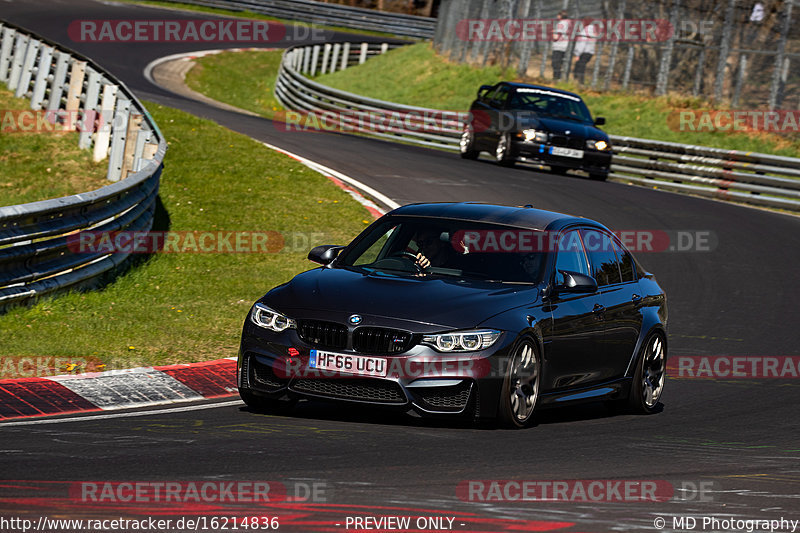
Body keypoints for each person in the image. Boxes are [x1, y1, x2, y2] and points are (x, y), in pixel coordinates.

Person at [572, 20, 598, 85]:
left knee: (579, 67)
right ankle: (580, 82)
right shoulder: (594, 32)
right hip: (590, 52)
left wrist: (577, 54)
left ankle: (579, 82)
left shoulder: (584, 32)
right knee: (581, 66)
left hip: (583, 52)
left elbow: (581, 44)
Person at [551, 10, 570, 80]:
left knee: (555, 63)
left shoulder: (560, 24)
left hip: (559, 46)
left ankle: (556, 78)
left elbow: (556, 37)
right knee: (563, 63)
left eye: (558, 15)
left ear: (560, 16)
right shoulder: (570, 23)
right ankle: (563, 78)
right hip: (566, 46)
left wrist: (552, 33)